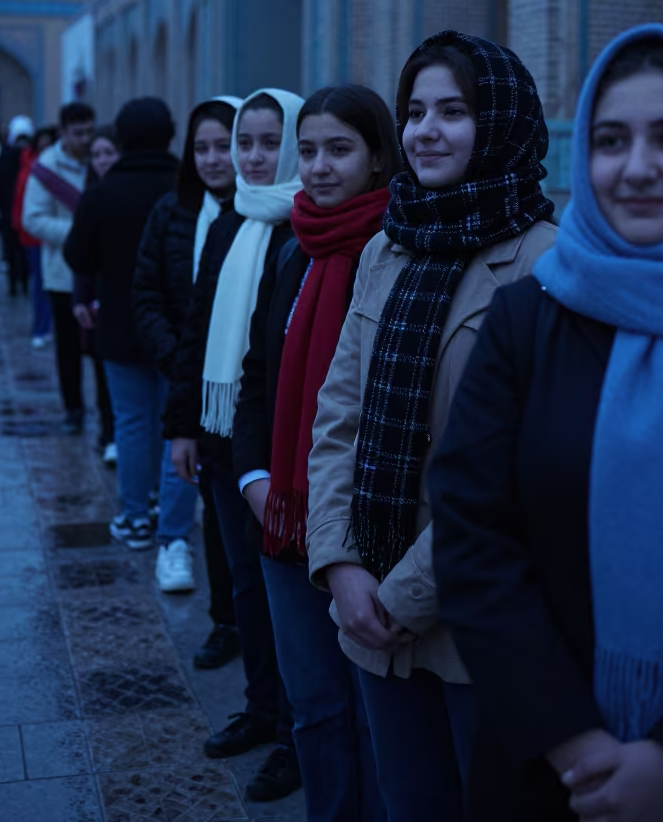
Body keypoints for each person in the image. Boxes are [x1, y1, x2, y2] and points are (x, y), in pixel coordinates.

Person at [429, 24, 663, 822]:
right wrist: (577, 745)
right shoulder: (528, 321)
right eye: (609, 140)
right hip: (549, 776)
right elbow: (472, 536)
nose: (636, 169)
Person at [305, 32, 557, 822]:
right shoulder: (390, 244)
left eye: (454, 111)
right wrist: (341, 564)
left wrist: (402, 596)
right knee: (406, 802)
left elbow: (518, 468)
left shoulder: (546, 263)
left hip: (475, 629)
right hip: (368, 612)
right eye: (414, 111)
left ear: (503, 123)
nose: (426, 131)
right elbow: (337, 412)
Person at [235, 85, 400, 822]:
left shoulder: (400, 252)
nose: (320, 167)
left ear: (376, 159)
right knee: (315, 709)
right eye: (309, 151)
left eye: (340, 150)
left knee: (375, 712)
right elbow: (257, 376)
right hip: (284, 518)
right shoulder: (294, 248)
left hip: (365, 526)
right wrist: (255, 477)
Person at [165, 88, 303, 804]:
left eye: (266, 140)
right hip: (219, 440)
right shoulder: (231, 221)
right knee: (245, 588)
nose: (251, 155)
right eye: (243, 140)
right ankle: (260, 709)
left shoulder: (302, 231)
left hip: (275, 446)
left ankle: (295, 734)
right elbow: (198, 328)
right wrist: (182, 425)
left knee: (286, 595)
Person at [132, 95, 242, 618]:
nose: (213, 159)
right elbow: (146, 291)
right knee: (180, 452)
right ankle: (173, 543)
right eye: (202, 148)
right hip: (181, 363)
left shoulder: (263, 214)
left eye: (225, 145)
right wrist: (179, 356)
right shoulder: (172, 209)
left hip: (240, 375)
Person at [64, 98, 178, 548]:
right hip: (177, 330)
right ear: (170, 134)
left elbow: (78, 256)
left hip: (120, 325)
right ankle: (172, 525)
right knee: (176, 426)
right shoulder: (185, 186)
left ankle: (135, 517)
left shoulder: (103, 193)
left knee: (132, 421)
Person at [22, 101, 99, 433]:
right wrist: (79, 232)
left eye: (89, 131)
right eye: (78, 133)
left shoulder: (102, 157)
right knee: (68, 347)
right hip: (63, 272)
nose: (86, 139)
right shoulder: (47, 167)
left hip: (103, 271)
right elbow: (32, 219)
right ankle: (73, 409)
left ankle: (108, 417)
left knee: (102, 346)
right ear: (64, 132)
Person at [71, 126, 121, 461]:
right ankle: (108, 433)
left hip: (121, 297)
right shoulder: (89, 195)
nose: (102, 161)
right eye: (97, 155)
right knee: (102, 371)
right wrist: (79, 297)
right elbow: (81, 257)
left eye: (108, 153)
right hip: (97, 296)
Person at [13, 125, 57, 347]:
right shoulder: (29, 168)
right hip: (35, 237)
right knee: (40, 283)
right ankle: (40, 326)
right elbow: (21, 202)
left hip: (55, 237)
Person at [0, 114, 34, 296]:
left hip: (15, 212)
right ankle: (19, 283)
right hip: (15, 212)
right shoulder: (27, 158)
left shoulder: (5, 158)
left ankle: (16, 283)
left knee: (15, 249)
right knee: (18, 250)